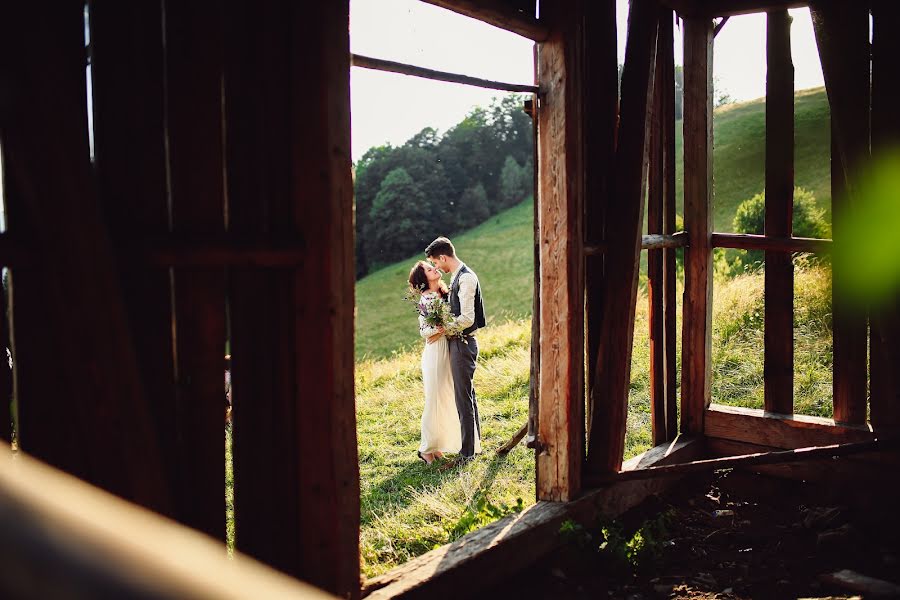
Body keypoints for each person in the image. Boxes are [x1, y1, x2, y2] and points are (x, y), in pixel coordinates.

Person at [425, 237, 485, 462]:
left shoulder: (466, 279)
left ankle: (467, 452)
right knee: (467, 394)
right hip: (458, 343)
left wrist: (443, 330)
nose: (436, 267)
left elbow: (467, 318)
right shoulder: (457, 277)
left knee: (463, 398)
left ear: (443, 257)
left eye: (436, 262)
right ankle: (474, 446)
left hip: (464, 343)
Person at [408, 261, 462, 464]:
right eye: (430, 269)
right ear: (424, 278)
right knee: (434, 400)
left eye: (433, 267)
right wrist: (441, 329)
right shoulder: (427, 299)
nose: (435, 269)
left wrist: (443, 329)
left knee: (445, 397)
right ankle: (425, 449)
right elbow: (425, 332)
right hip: (435, 354)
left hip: (446, 350)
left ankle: (437, 445)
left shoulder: (442, 293)